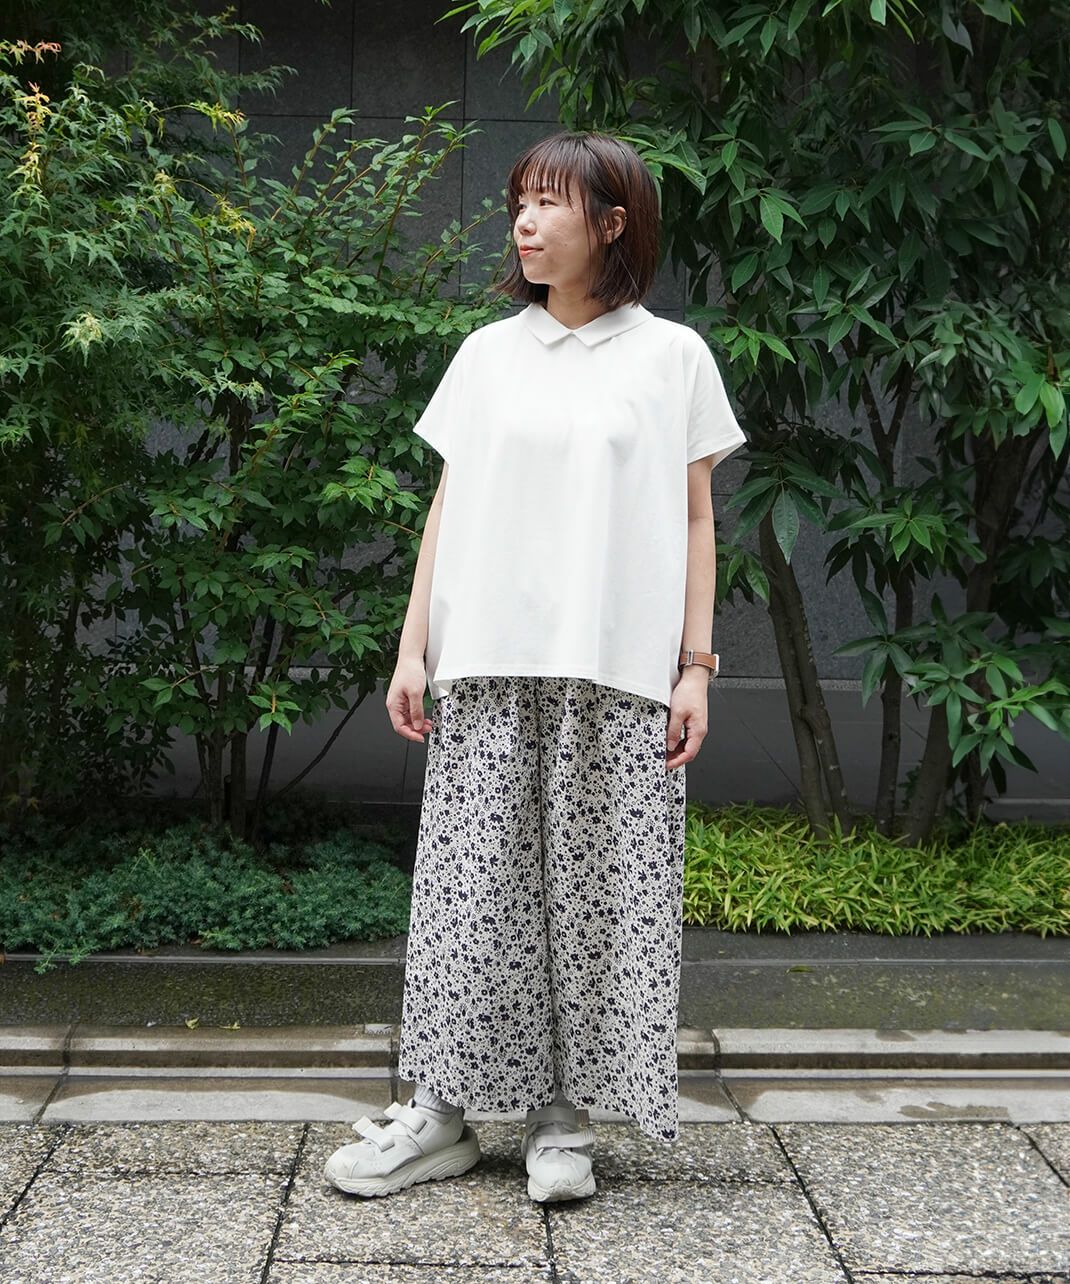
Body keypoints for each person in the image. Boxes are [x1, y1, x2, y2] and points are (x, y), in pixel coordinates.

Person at [324, 130, 747, 1203]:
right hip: (487, 666)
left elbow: (697, 519)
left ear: (611, 223)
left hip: (616, 675)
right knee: (471, 900)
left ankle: (563, 1120)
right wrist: (413, 647)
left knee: (593, 907)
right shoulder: (486, 354)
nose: (523, 218)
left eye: (550, 201)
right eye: (520, 199)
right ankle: (439, 1113)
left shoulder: (672, 358)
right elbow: (447, 506)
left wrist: (695, 666)